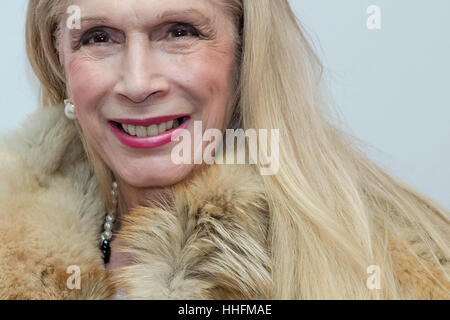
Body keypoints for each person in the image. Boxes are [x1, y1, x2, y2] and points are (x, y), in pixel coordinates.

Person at [0, 0, 448, 299]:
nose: (137, 83)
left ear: (246, 50)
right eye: (98, 37)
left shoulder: (406, 268)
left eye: (178, 32)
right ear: (57, 57)